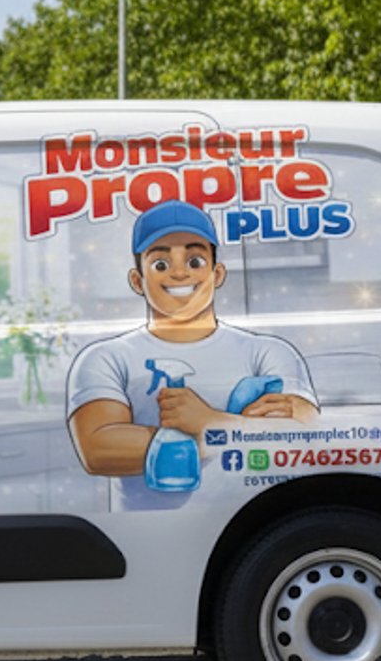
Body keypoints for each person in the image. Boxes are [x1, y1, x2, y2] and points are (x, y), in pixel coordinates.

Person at [66, 201, 317, 508]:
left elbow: (307, 431)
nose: (180, 273)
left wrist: (208, 423)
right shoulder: (106, 358)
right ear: (137, 280)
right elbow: (98, 450)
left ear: (218, 273)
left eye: (195, 260)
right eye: (161, 263)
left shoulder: (267, 352)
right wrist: (240, 430)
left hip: (249, 528)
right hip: (143, 533)